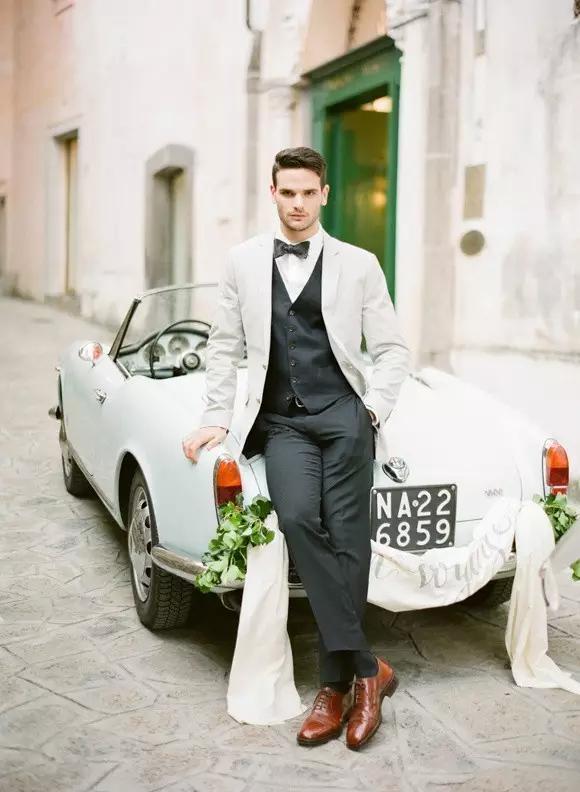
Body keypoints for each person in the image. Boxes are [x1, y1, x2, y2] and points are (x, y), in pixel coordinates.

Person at [182, 146, 410, 750]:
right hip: (282, 422)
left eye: (309, 192)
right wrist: (215, 417)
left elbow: (392, 350)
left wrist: (371, 410)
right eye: (289, 192)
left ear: (325, 195)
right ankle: (368, 669)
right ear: (273, 193)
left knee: (350, 540)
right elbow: (224, 346)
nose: (299, 203)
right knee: (299, 519)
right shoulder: (242, 261)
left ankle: (334, 687)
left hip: (344, 417)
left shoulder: (360, 264)